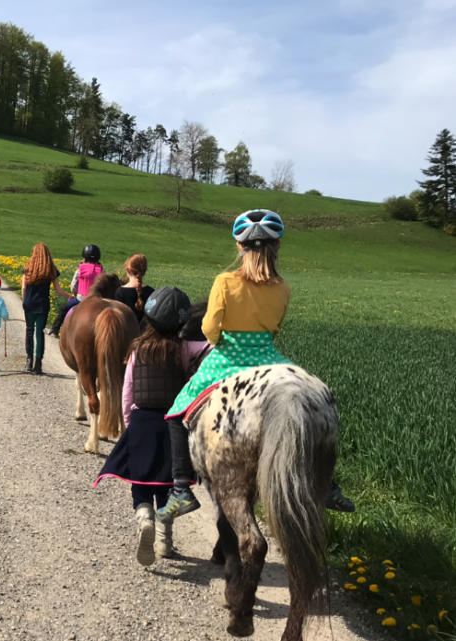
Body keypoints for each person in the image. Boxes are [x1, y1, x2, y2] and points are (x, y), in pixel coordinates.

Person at [158, 210, 355, 521]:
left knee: (177, 412)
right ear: (277, 248)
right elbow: (275, 328)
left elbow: (210, 328)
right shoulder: (283, 288)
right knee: (314, 403)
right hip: (268, 357)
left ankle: (181, 489)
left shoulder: (224, 281)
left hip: (228, 358)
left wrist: (222, 338)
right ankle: (326, 482)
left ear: (239, 247)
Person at [94, 287, 206, 565]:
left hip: (142, 422)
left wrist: (129, 425)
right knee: (168, 486)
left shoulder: (136, 350)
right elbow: (209, 347)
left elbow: (127, 392)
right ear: (180, 323)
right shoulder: (183, 348)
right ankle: (165, 542)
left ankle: (144, 516)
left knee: (140, 480)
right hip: (172, 425)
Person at [21, 243, 71, 374]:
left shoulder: (28, 267)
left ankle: (29, 360)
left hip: (29, 303)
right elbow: (58, 289)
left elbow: (23, 288)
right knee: (39, 333)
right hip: (43, 304)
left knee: (29, 331)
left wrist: (24, 301)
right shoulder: (51, 269)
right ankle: (38, 363)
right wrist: (70, 297)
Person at [49, 244, 103, 336]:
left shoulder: (80, 271)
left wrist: (75, 293)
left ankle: (55, 329)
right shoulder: (101, 272)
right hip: (96, 301)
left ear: (84, 258)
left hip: (80, 299)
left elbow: (73, 286)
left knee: (64, 309)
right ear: (98, 259)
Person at [115, 254, 156, 325]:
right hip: (145, 334)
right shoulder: (152, 292)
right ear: (145, 271)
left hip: (127, 334)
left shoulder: (120, 292)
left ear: (127, 270)